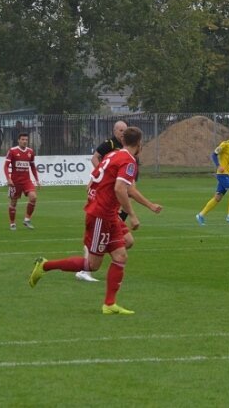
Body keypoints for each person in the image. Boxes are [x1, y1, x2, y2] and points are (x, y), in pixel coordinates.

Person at [28, 127, 162, 315]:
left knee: (122, 253)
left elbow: (93, 182)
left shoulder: (113, 155)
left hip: (108, 214)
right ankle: (45, 266)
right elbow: (120, 189)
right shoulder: (128, 161)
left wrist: (149, 205)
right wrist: (132, 214)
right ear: (140, 144)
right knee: (92, 265)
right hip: (101, 215)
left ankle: (109, 304)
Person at [77, 120, 128, 282]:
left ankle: (96, 252)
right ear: (114, 131)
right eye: (120, 130)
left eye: (124, 130)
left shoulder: (127, 148)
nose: (122, 133)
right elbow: (95, 158)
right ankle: (88, 264)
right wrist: (101, 176)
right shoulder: (109, 143)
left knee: (127, 241)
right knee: (121, 239)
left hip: (117, 194)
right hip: (106, 194)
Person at [196, 127, 229, 225]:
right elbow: (214, 155)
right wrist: (218, 166)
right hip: (222, 174)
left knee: (218, 197)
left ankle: (201, 215)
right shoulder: (224, 145)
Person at [3, 132, 40, 230]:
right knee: (13, 202)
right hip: (15, 182)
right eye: (23, 140)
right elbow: (6, 166)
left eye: (26, 140)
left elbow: (32, 166)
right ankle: (12, 223)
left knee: (33, 197)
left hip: (26, 181)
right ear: (18, 140)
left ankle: (27, 220)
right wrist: (8, 178)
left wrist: (37, 179)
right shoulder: (12, 151)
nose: (25, 141)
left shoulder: (30, 152)